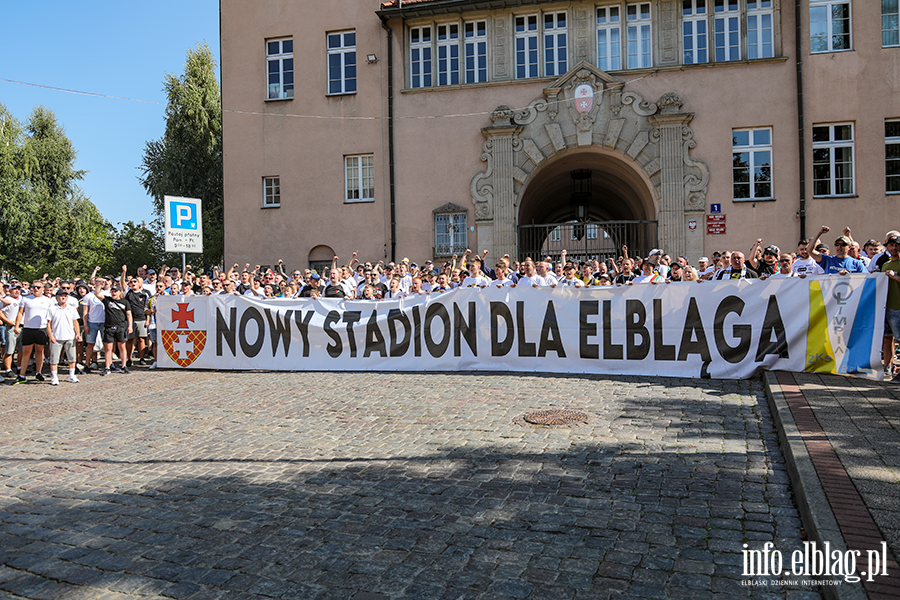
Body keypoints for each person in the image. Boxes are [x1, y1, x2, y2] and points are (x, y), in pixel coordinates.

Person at [10, 281, 53, 385]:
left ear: (43, 288)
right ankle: (22, 375)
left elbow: (51, 316)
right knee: (26, 352)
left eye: (38, 287)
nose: (36, 289)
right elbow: (20, 313)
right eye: (34, 287)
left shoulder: (48, 300)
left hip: (41, 328)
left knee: (39, 351)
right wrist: (17, 326)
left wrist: (51, 330)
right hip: (28, 328)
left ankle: (38, 372)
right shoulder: (26, 299)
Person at [46, 289, 81, 385]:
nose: (63, 297)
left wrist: (77, 334)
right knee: (54, 358)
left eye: (65, 296)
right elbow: (48, 324)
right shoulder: (52, 309)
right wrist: (50, 335)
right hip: (56, 336)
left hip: (70, 336)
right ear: (57, 298)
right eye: (61, 296)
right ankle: (54, 377)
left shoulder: (71, 308)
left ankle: (72, 375)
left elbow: (75, 322)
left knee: (72, 357)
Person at [880, 235, 900, 380]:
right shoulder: (885, 265)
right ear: (887, 247)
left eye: (897, 245)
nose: (894, 248)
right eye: (891, 245)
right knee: (887, 338)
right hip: (884, 307)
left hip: (898, 307)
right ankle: (888, 367)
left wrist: (896, 276)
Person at [1, 283, 22, 378]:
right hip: (11, 327)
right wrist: (7, 321)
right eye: (14, 289)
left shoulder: (22, 299)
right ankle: (8, 370)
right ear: (9, 291)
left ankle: (19, 367)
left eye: (18, 289)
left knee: (21, 350)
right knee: (9, 350)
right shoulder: (7, 300)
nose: (17, 291)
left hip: (22, 326)